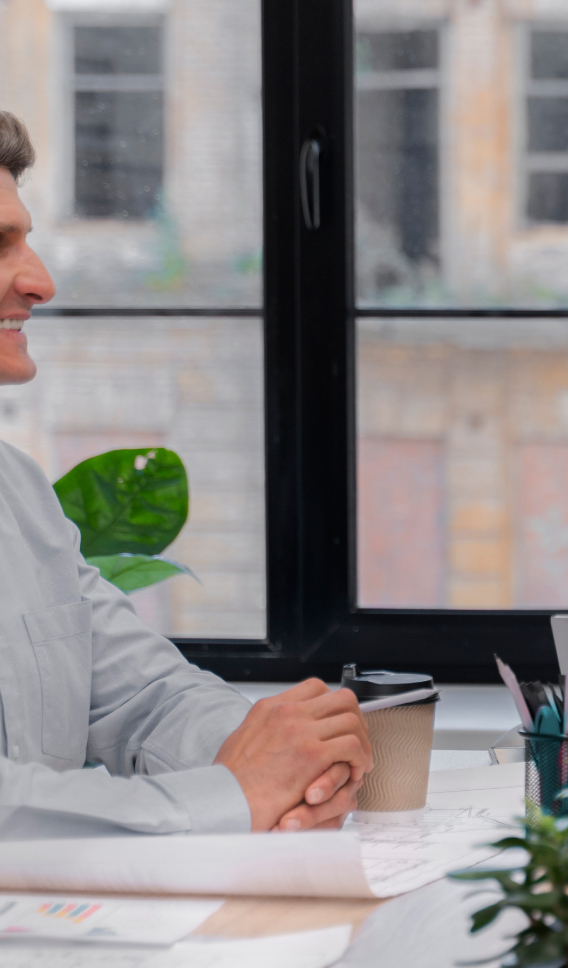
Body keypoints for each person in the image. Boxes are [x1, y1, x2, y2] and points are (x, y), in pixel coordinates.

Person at [0, 111, 371, 838]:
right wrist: (235, 794)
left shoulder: (18, 496)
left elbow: (145, 697)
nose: (40, 282)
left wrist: (296, 760)